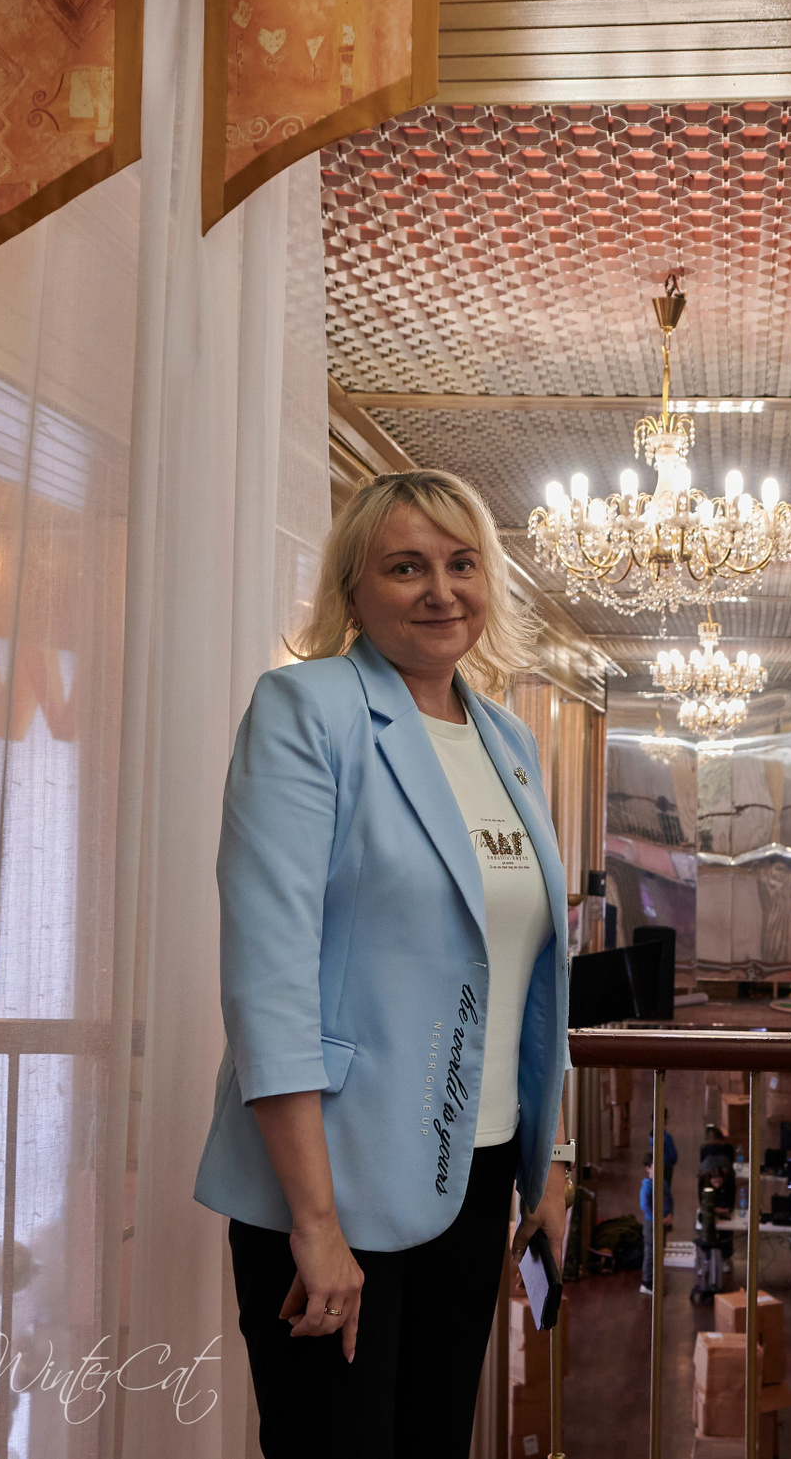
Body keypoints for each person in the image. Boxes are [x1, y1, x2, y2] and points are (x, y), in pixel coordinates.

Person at [193, 470, 571, 1459]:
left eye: (461, 563)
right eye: (406, 567)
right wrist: (316, 1223)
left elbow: (525, 978)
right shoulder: (305, 709)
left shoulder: (509, 740)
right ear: (353, 589)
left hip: (478, 1171)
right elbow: (269, 980)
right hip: (336, 1179)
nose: (440, 590)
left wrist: (552, 1157)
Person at [640, 1141, 674, 1295]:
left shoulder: (664, 1183)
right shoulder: (647, 1186)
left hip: (663, 1222)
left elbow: (669, 1199)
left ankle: (656, 1280)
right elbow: (645, 1206)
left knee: (659, 1252)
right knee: (651, 1253)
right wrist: (659, 1219)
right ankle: (647, 1282)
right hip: (651, 1224)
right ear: (648, 1168)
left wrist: (669, 1215)